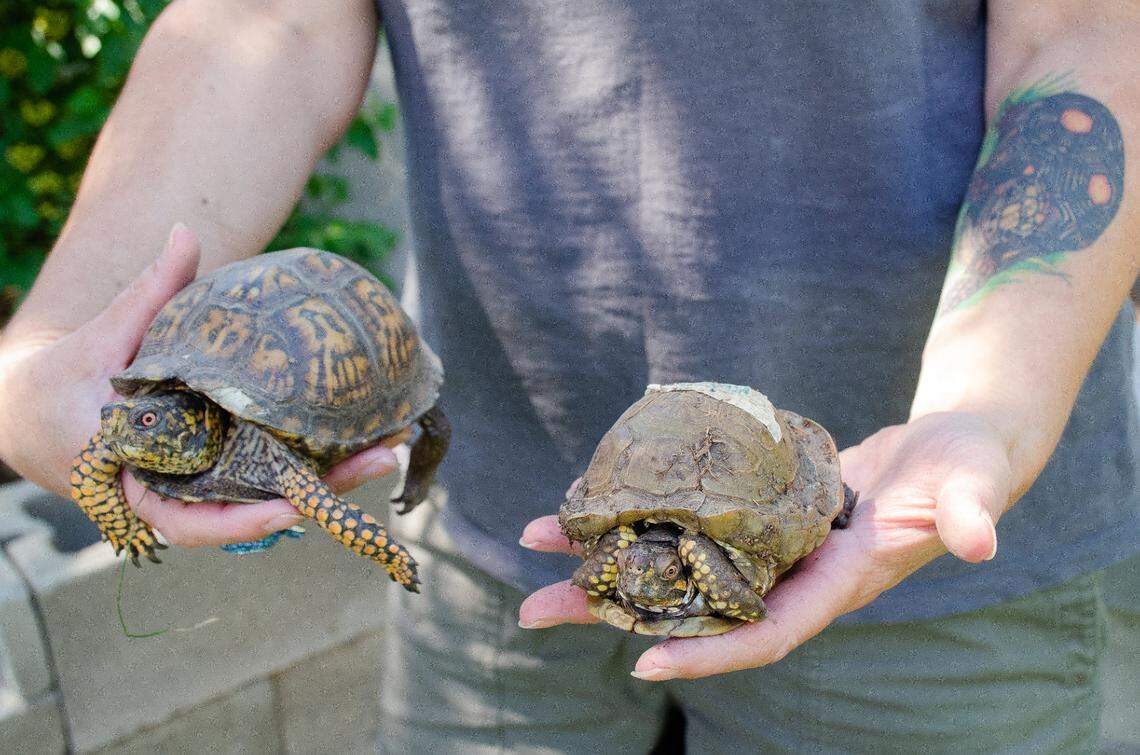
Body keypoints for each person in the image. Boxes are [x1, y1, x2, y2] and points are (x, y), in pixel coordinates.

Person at [0, 1, 1135, 751]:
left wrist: (987, 409)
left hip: (921, 525)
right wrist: (68, 343)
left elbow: (1083, 30)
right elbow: (270, 20)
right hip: (503, 508)